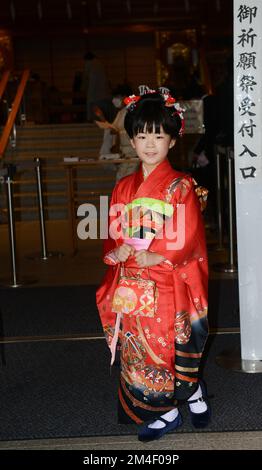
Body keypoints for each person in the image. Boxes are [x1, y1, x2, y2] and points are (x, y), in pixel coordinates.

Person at [96, 87, 210, 442]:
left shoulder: (180, 186)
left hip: (168, 279)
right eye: (141, 135)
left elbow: (188, 233)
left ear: (173, 141)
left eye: (158, 136)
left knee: (169, 342)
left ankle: (189, 391)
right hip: (132, 281)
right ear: (131, 139)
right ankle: (167, 410)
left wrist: (158, 254)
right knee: (138, 345)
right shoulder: (125, 187)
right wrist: (118, 251)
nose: (149, 144)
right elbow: (116, 228)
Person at [95, 84, 138, 180]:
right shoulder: (121, 112)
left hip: (133, 153)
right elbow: (114, 129)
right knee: (120, 180)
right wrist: (102, 118)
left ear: (125, 97)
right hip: (124, 154)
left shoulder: (133, 111)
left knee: (129, 181)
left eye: (118, 97)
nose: (115, 100)